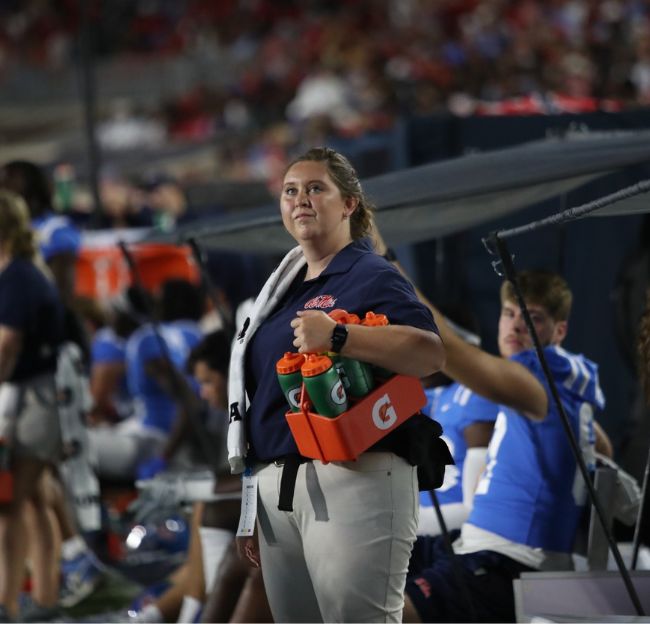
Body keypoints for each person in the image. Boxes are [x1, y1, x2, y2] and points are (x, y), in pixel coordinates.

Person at [229, 147, 445, 623]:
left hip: (355, 474)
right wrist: (252, 508)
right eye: (290, 191)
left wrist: (341, 334)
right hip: (278, 485)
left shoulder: (370, 274)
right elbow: (261, 403)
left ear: (349, 204)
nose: (300, 199)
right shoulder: (281, 290)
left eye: (315, 189)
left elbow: (430, 353)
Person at [395, 269, 608, 623]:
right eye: (509, 313)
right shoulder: (562, 389)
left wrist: (388, 263)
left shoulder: (534, 385)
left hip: (509, 560)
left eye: (532, 318)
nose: (515, 327)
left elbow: (446, 348)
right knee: (366, 557)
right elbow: (603, 447)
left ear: (560, 331)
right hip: (473, 541)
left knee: (393, 614)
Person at [0, 190, 64, 621]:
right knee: (36, 502)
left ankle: (8, 605)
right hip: (34, 397)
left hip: (31, 400)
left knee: (9, 504)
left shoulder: (18, 276)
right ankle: (44, 598)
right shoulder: (21, 272)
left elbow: (7, 343)